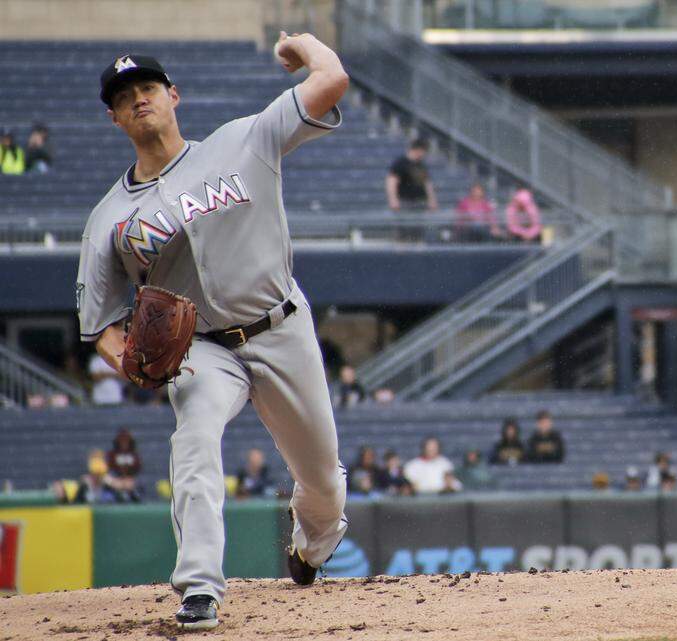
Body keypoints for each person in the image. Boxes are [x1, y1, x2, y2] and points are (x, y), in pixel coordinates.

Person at [76, 37, 350, 629]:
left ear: (174, 96)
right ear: (114, 117)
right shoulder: (107, 219)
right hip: (200, 350)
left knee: (323, 482)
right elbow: (99, 323)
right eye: (125, 97)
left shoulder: (242, 140)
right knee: (194, 439)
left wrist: (299, 44)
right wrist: (130, 360)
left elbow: (331, 81)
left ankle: (311, 546)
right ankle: (199, 588)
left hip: (281, 328)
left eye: (148, 88)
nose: (139, 100)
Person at [386, 138, 436, 212]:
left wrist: (432, 200)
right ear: (419, 149)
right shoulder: (401, 163)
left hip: (420, 202)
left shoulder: (420, 164)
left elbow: (426, 183)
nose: (424, 154)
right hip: (405, 202)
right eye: (424, 151)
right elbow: (391, 181)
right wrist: (393, 199)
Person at [105, 428, 142, 502]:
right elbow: (109, 469)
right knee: (108, 480)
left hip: (130, 480)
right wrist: (117, 480)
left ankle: (131, 495)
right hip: (116, 480)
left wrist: (129, 479)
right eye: (121, 441)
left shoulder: (134, 454)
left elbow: (138, 469)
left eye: (126, 441)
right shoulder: (112, 454)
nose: (124, 443)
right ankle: (120, 495)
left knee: (133, 484)